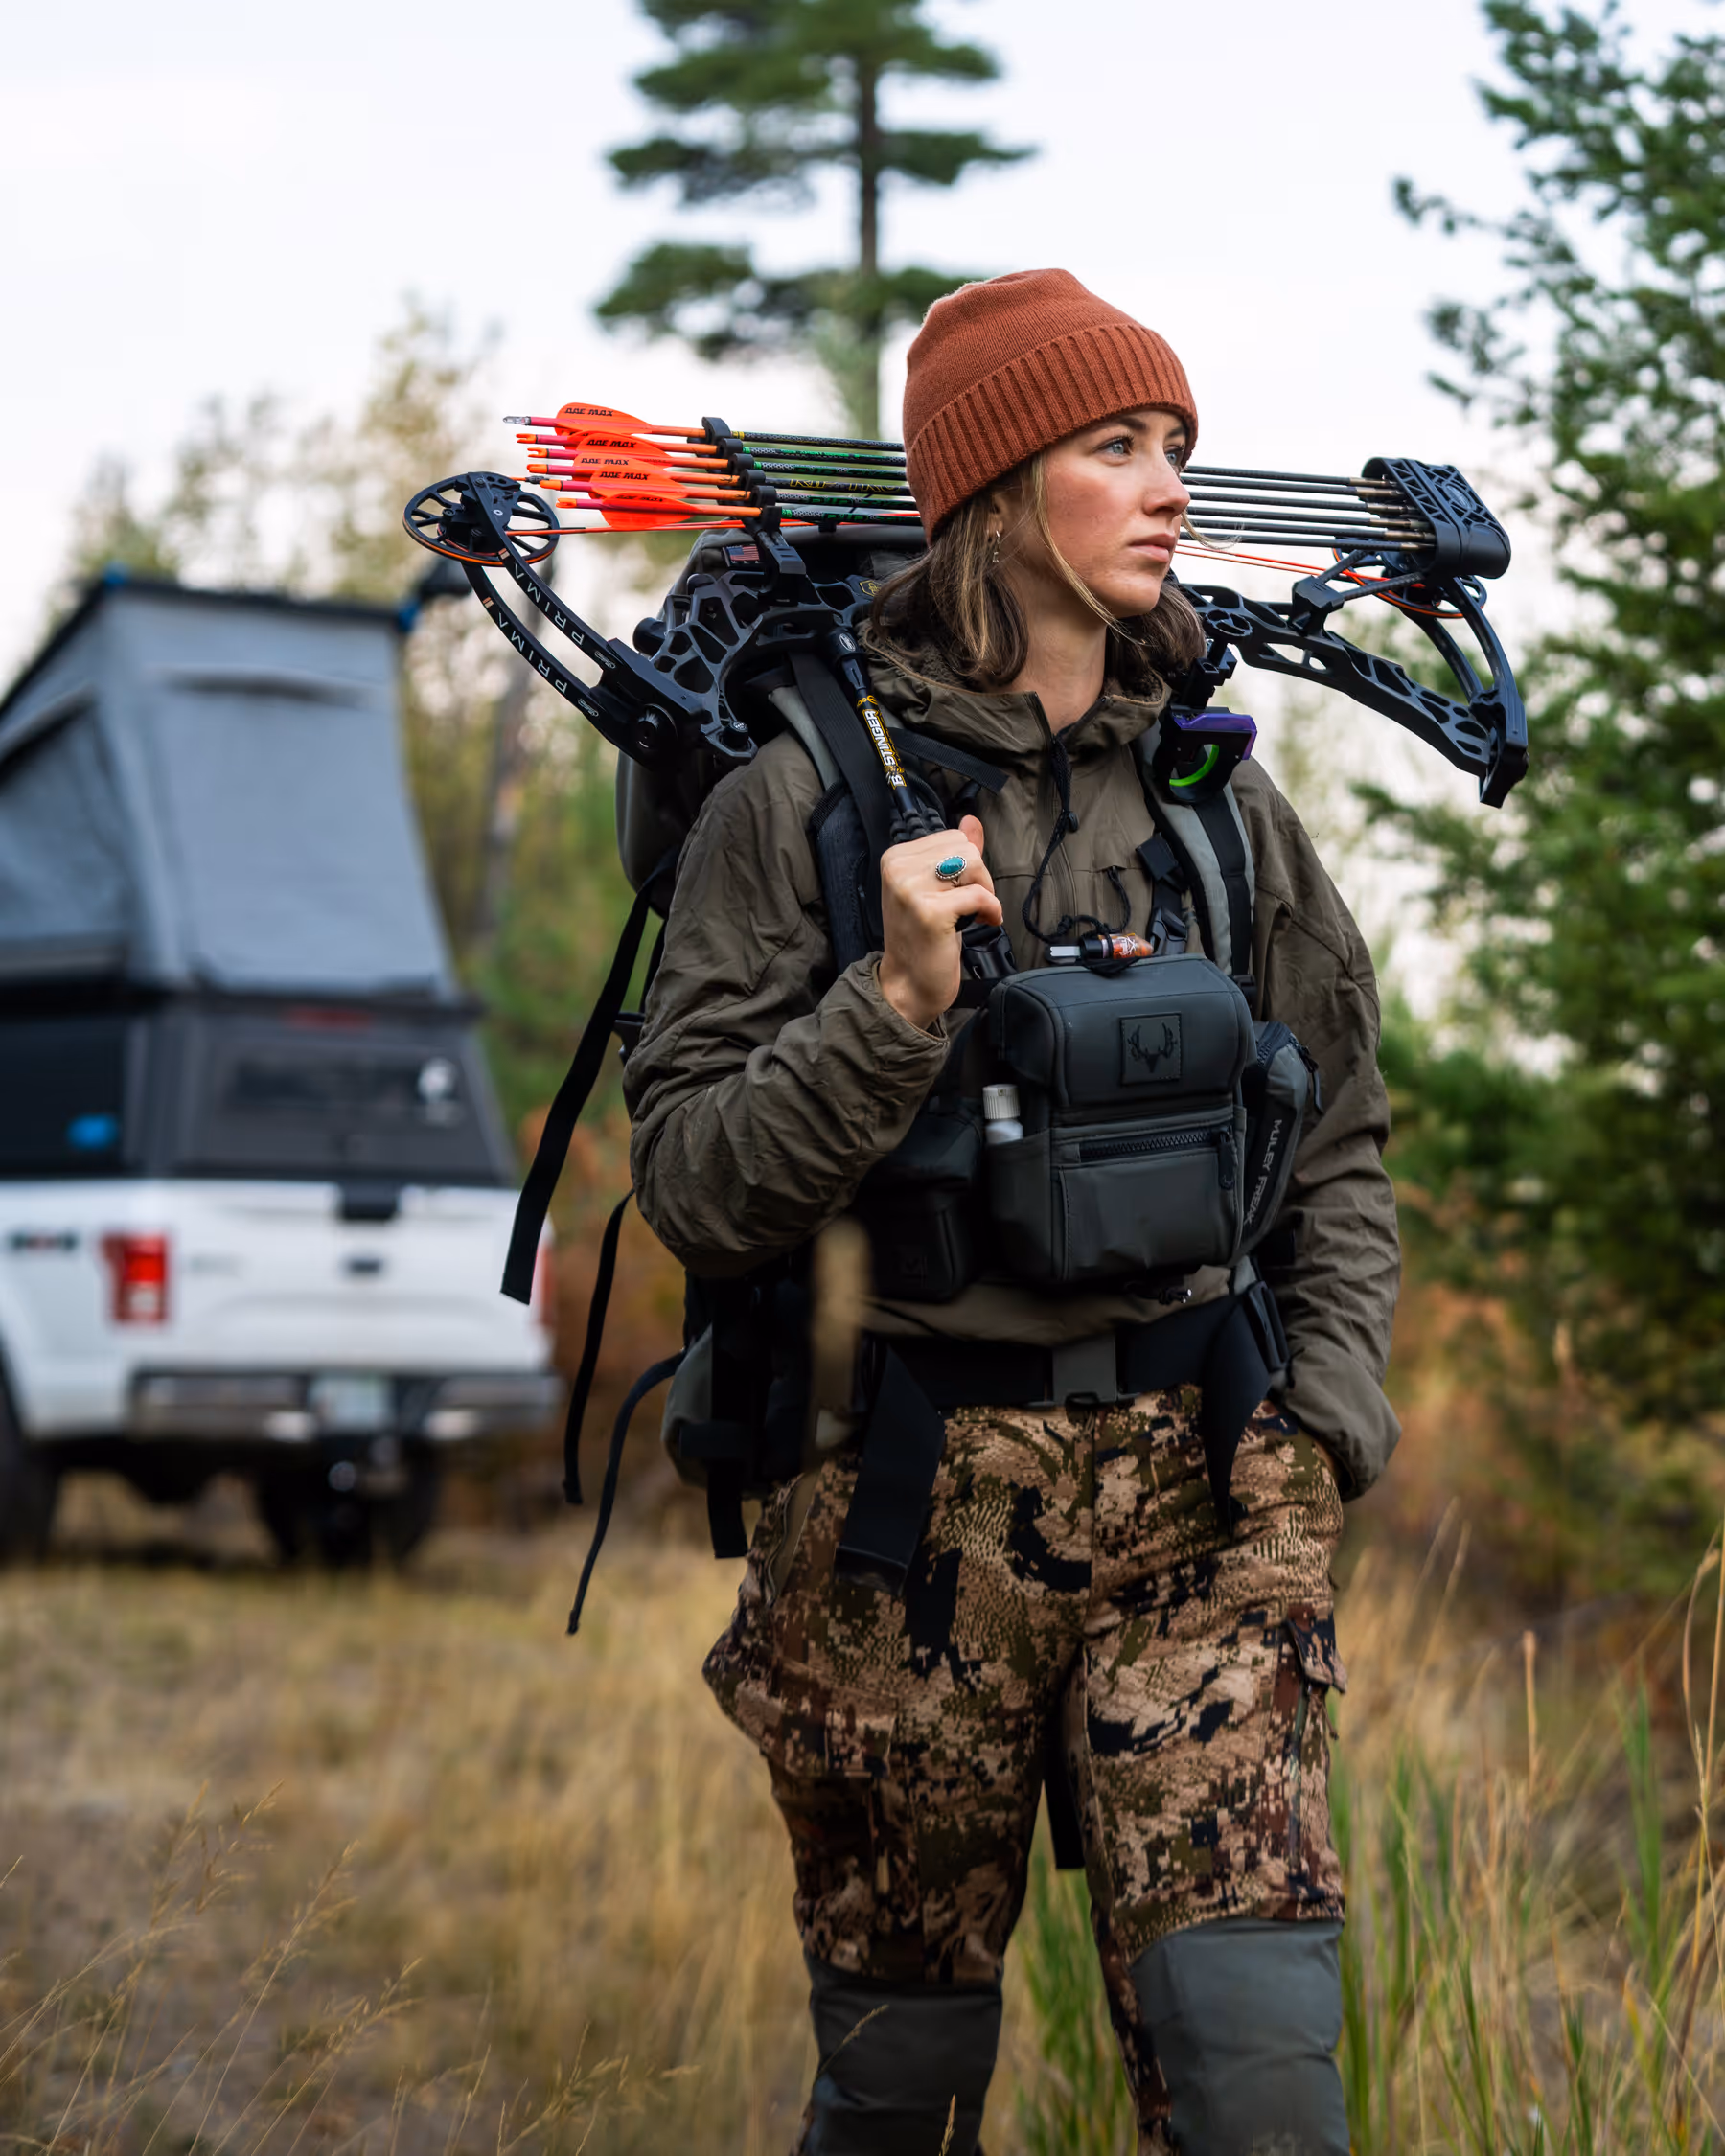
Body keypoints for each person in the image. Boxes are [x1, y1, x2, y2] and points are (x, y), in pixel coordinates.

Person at [623, 269, 1400, 2155]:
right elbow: (694, 1180)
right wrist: (887, 1008)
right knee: (903, 2089)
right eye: (1117, 448)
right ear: (993, 493)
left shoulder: (1222, 806)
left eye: (1182, 452)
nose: (1170, 491)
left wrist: (1328, 1417)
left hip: (1203, 1498)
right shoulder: (801, 797)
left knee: (1257, 2076)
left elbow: (1345, 1141)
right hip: (899, 1524)